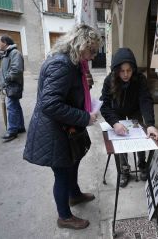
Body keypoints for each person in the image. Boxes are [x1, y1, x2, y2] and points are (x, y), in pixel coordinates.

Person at [23, 24, 101, 230]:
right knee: (62, 173)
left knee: (73, 161)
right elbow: (50, 104)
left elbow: (67, 92)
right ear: (80, 44)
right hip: (54, 131)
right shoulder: (62, 65)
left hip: (65, 129)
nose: (93, 56)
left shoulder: (74, 63)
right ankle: (64, 217)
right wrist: (84, 117)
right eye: (91, 50)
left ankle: (74, 194)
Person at [100, 47, 158, 187]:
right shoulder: (109, 80)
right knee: (120, 138)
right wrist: (114, 123)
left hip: (134, 109)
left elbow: (145, 100)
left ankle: (142, 163)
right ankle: (124, 169)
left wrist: (150, 124)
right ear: (116, 71)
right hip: (117, 111)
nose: (126, 74)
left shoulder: (140, 79)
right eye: (122, 71)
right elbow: (104, 105)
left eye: (129, 70)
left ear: (133, 69)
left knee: (141, 135)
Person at [0, 35, 25, 142]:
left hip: (12, 85)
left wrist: (6, 81)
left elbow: (16, 70)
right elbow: (3, 71)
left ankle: (12, 130)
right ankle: (20, 127)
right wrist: (1, 83)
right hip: (9, 85)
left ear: (5, 42)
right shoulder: (7, 54)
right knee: (15, 106)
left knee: (11, 107)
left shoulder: (14, 53)